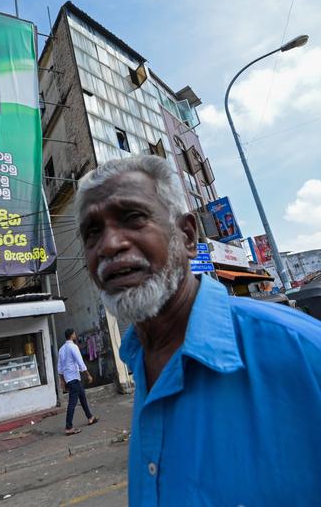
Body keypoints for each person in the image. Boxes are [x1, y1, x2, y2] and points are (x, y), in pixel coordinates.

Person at [74, 154, 321, 506]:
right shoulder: (139, 359)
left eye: (133, 218)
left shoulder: (302, 351)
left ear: (187, 236)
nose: (109, 245)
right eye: (92, 232)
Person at [57, 328, 99, 435]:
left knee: (82, 397)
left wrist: (62, 380)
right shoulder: (73, 347)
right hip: (74, 378)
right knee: (72, 403)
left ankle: (90, 417)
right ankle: (69, 427)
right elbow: (80, 362)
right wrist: (88, 375)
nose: (75, 335)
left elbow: (59, 367)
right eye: (74, 334)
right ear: (72, 335)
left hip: (69, 378)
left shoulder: (61, 349)